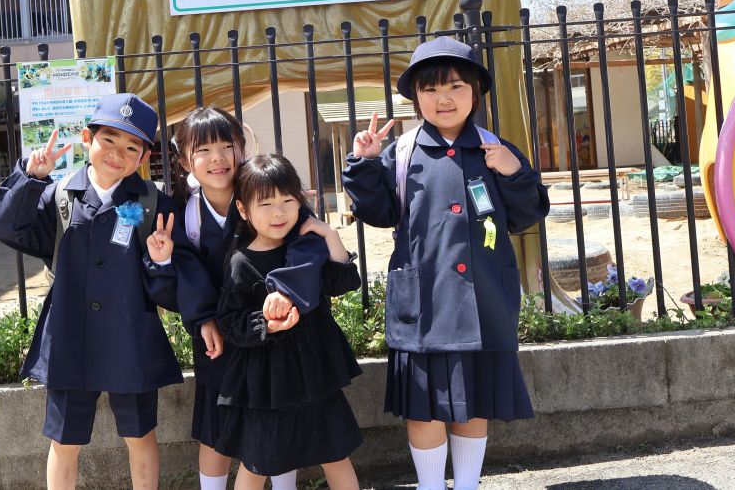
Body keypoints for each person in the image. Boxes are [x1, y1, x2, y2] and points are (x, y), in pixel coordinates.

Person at [342, 37, 549, 490]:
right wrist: (364, 164)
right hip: (425, 304)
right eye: (431, 88)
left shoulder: (496, 149)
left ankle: (469, 484)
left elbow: (527, 215)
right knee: (425, 409)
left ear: (476, 92)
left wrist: (513, 173)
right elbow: (380, 213)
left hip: (484, 302)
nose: (444, 98)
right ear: (416, 97)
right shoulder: (402, 152)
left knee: (474, 405)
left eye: (456, 86)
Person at [0, 93, 222, 490]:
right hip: (70, 337)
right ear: (87, 138)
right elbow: (8, 229)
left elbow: (176, 283)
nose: (117, 154)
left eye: (131, 147)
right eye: (108, 140)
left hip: (130, 338)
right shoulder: (59, 195)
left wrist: (163, 262)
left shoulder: (154, 203)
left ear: (143, 156)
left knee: (139, 434)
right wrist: (31, 179)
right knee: (64, 438)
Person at [168, 107, 359, 490]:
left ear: (241, 147)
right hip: (227, 335)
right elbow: (184, 275)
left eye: (227, 145)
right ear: (185, 159)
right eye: (203, 149)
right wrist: (204, 317)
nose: (218, 157)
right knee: (221, 430)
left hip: (292, 349)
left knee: (283, 431)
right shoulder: (184, 212)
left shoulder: (268, 186)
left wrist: (287, 292)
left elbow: (311, 251)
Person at [215, 153, 363, 490]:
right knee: (258, 459)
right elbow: (231, 322)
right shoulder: (241, 262)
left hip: (316, 372)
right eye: (266, 204)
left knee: (336, 453)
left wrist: (329, 235)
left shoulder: (306, 248)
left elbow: (343, 282)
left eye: (287, 200)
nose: (278, 213)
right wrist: (267, 324)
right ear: (243, 209)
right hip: (269, 380)